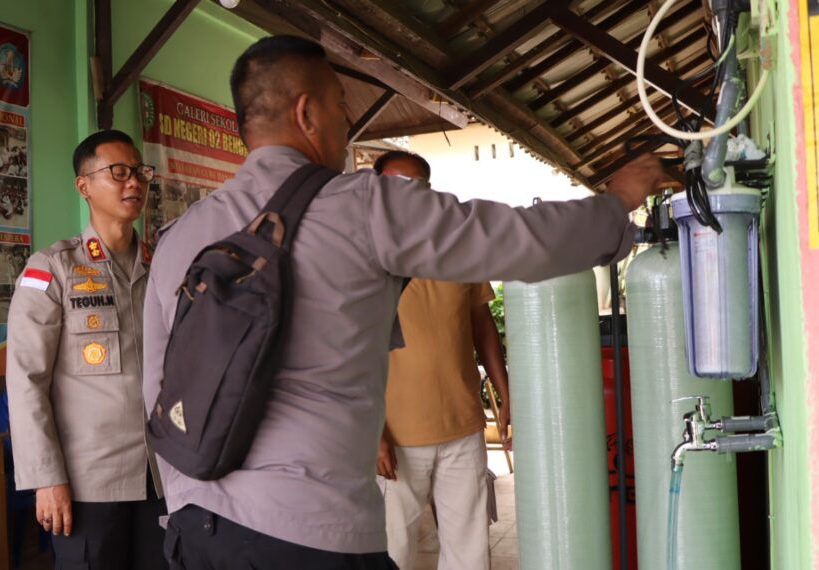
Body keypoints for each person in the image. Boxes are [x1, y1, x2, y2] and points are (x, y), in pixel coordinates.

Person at [142, 35, 663, 568]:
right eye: (341, 107)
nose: (347, 125)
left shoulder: (180, 237)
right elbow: (522, 239)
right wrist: (617, 202)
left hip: (198, 530)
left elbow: (157, 392)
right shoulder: (364, 207)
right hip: (312, 533)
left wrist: (186, 505)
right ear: (307, 112)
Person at [6, 129, 167, 570]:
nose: (133, 182)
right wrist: (46, 478)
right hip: (88, 483)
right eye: (118, 172)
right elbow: (25, 381)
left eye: (139, 172)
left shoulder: (162, 267)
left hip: (161, 477)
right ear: (84, 186)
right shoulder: (54, 268)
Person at [372, 151, 510, 570]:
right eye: (400, 184)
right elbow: (346, 349)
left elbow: (480, 321)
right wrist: (373, 432)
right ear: (377, 189)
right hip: (395, 435)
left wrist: (507, 394)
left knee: (470, 549)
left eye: (420, 185)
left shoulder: (457, 247)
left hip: (462, 427)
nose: (411, 194)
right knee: (393, 550)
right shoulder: (365, 253)